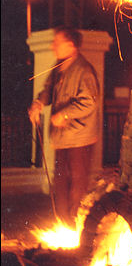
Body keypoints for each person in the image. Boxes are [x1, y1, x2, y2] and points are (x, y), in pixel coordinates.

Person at [28, 27, 100, 228]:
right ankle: (63, 224)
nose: (53, 46)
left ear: (71, 46)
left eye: (57, 42)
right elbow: (48, 90)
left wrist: (65, 114)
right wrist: (39, 103)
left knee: (76, 184)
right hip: (62, 137)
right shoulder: (59, 67)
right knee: (60, 182)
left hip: (79, 138)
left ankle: (75, 227)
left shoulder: (84, 70)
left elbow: (89, 102)